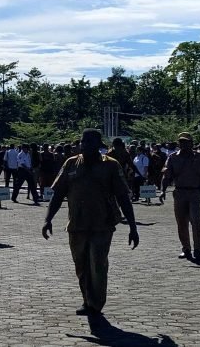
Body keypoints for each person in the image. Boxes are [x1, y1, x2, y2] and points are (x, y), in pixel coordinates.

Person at [42, 128, 139, 317]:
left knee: (98, 264)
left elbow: (123, 197)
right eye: (82, 142)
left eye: (89, 142)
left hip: (102, 223)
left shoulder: (110, 165)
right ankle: (87, 299)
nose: (84, 145)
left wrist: (133, 227)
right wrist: (48, 219)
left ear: (98, 145)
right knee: (81, 265)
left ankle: (96, 304)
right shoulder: (71, 163)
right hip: (77, 224)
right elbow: (58, 194)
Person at [161, 132, 200, 260]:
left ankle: (198, 248)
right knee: (181, 222)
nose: (183, 144)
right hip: (180, 192)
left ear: (191, 143)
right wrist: (163, 190)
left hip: (195, 192)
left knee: (196, 220)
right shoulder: (173, 157)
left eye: (185, 142)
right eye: (181, 142)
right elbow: (166, 175)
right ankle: (186, 248)